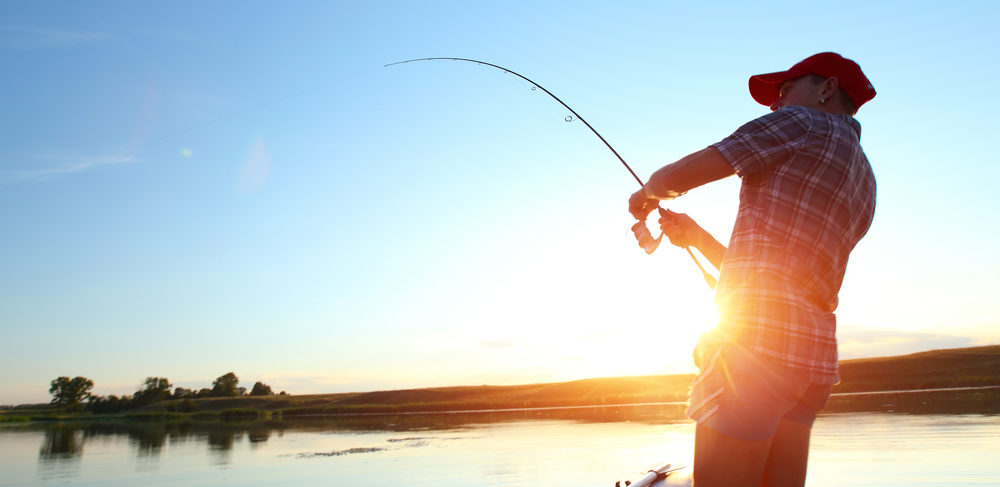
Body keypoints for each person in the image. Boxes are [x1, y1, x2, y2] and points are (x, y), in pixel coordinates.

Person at [628, 52, 877, 487]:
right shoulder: (865, 177)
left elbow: (676, 178)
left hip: (756, 349)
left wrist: (647, 195)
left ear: (827, 88)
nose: (776, 103)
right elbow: (776, 275)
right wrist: (697, 237)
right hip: (811, 359)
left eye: (786, 90)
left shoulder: (801, 123)